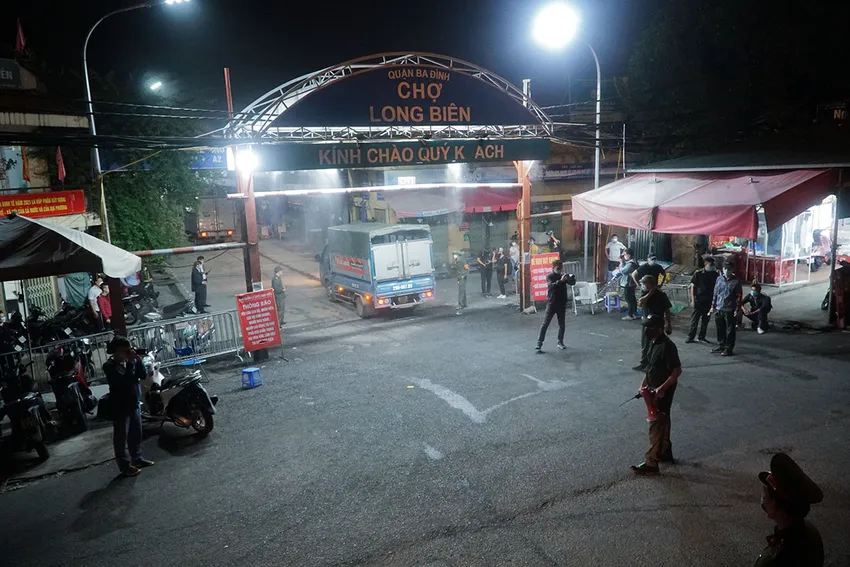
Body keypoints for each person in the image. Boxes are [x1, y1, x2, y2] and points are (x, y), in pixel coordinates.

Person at [631, 314, 681, 475]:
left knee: (656, 423)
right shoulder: (653, 343)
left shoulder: (667, 346)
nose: (646, 330)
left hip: (662, 391)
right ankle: (665, 452)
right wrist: (643, 385)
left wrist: (662, 388)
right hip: (653, 388)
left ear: (659, 328)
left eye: (650, 327)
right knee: (663, 420)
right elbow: (651, 368)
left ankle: (651, 463)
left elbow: (676, 371)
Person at [755, 453, 824, 566]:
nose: (762, 497)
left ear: (775, 505)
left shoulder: (774, 560)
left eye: (765, 493)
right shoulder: (809, 531)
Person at [103, 336, 154, 477]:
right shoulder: (109, 366)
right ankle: (124, 466)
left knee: (136, 433)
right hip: (120, 406)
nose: (128, 353)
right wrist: (131, 363)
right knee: (121, 437)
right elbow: (124, 382)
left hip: (134, 402)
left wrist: (138, 362)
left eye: (129, 350)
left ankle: (137, 459)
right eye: (124, 351)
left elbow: (142, 375)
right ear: (115, 351)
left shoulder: (129, 362)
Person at [634, 274, 673, 371]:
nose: (643, 285)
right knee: (645, 344)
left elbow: (667, 310)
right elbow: (640, 303)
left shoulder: (661, 295)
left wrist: (668, 324)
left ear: (651, 284)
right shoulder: (644, 293)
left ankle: (653, 364)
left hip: (657, 323)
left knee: (655, 344)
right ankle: (644, 363)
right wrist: (650, 293)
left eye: (645, 283)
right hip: (646, 322)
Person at [535, 259, 571, 352]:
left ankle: (560, 341)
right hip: (552, 303)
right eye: (558, 268)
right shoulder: (550, 276)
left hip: (561, 303)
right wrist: (561, 281)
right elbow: (551, 286)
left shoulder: (563, 276)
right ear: (554, 267)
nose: (560, 270)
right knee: (545, 323)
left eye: (561, 268)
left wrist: (569, 278)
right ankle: (539, 342)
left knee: (562, 324)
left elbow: (572, 283)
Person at [710, 264, 743, 356]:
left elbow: (739, 296)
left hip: (730, 308)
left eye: (729, 269)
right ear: (722, 269)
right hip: (719, 307)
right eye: (725, 269)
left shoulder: (736, 281)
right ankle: (721, 345)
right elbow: (715, 293)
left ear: (732, 270)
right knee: (720, 328)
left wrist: (737, 309)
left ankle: (728, 349)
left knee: (730, 330)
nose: (726, 271)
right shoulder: (719, 279)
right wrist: (713, 306)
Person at [686, 256, 720, 344]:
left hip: (709, 301)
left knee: (705, 320)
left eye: (713, 265)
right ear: (705, 264)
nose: (712, 266)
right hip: (699, 300)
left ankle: (702, 337)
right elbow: (693, 287)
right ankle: (690, 337)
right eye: (710, 264)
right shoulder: (698, 274)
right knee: (695, 320)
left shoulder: (715, 275)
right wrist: (692, 300)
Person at [618, 249, 640, 320]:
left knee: (629, 299)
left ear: (629, 255)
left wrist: (621, 263)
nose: (624, 256)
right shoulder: (634, 262)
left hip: (628, 283)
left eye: (625, 254)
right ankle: (634, 313)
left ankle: (630, 315)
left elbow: (623, 271)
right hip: (632, 283)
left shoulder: (630, 264)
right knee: (632, 298)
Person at [454, 251, 469, 315]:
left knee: (461, 290)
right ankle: (464, 304)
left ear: (458, 255)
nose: (454, 256)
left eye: (455, 254)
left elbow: (467, 268)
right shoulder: (457, 260)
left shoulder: (462, 260)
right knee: (463, 290)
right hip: (459, 277)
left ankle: (460, 304)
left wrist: (464, 275)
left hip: (462, 277)